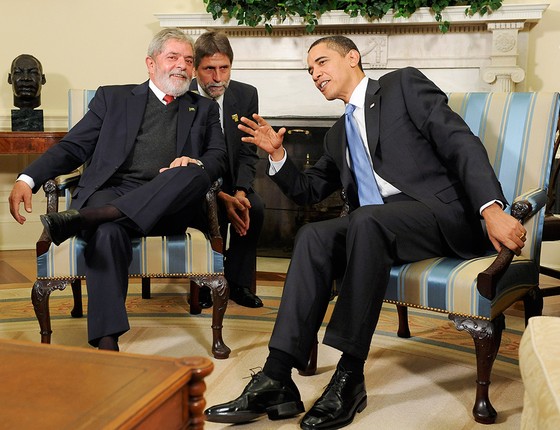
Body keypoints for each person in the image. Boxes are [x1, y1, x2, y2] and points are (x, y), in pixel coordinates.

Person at [204, 35, 527, 429]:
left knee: (366, 219)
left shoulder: (402, 85)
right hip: (377, 228)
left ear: (353, 57)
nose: (315, 74)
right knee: (313, 236)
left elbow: (459, 141)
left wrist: (490, 208)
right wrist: (278, 156)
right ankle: (277, 375)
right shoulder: (338, 135)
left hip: (439, 217)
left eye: (321, 62)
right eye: (309, 70)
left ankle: (349, 375)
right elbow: (308, 191)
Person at [8, 28, 227, 352]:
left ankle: (87, 218)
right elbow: (73, 147)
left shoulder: (204, 108)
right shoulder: (113, 98)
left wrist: (191, 160)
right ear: (151, 64)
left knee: (196, 172)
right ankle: (107, 343)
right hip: (113, 190)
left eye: (188, 60)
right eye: (173, 57)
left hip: (168, 201)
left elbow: (219, 157)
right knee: (108, 232)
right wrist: (27, 179)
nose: (182, 65)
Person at [190, 30, 264, 308]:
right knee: (210, 208)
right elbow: (186, 157)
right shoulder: (183, 97)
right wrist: (221, 196)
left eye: (224, 68)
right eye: (209, 69)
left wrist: (242, 192)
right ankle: (205, 282)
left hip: (235, 182)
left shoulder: (246, 95)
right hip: (197, 184)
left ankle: (237, 283)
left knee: (255, 208)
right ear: (196, 69)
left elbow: (248, 150)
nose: (218, 77)